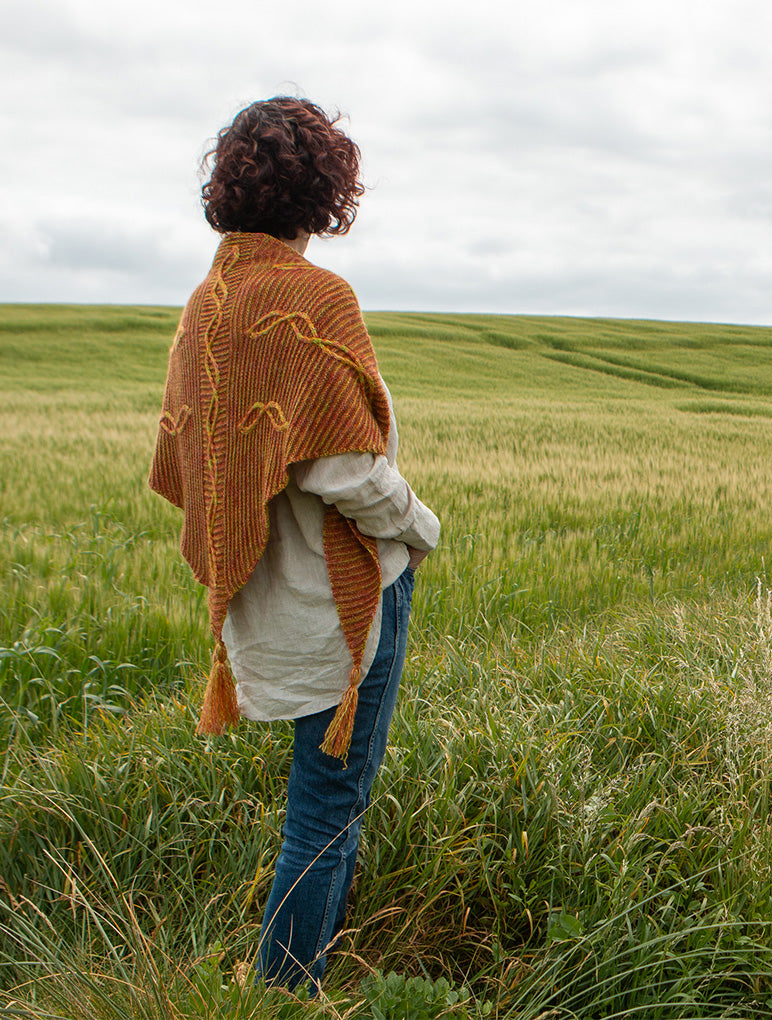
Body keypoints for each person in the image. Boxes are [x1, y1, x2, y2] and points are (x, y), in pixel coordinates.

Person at [149, 96, 440, 994]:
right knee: (327, 809)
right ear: (325, 193)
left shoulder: (208, 302)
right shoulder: (316, 300)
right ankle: (287, 993)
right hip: (340, 594)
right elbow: (346, 470)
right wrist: (420, 530)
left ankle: (281, 979)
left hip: (267, 593)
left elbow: (188, 455)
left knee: (316, 806)